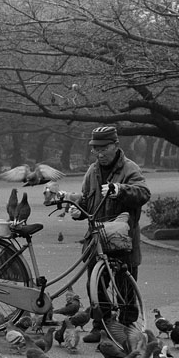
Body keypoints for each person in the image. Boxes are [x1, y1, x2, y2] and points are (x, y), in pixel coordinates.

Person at [69, 126, 150, 343]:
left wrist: (120, 190)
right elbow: (86, 200)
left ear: (115, 145)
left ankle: (126, 327)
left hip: (122, 239)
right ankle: (101, 325)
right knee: (95, 285)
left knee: (125, 286)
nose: (99, 153)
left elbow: (143, 193)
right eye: (96, 148)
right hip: (97, 239)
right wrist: (78, 210)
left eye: (103, 148)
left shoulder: (130, 169)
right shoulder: (92, 171)